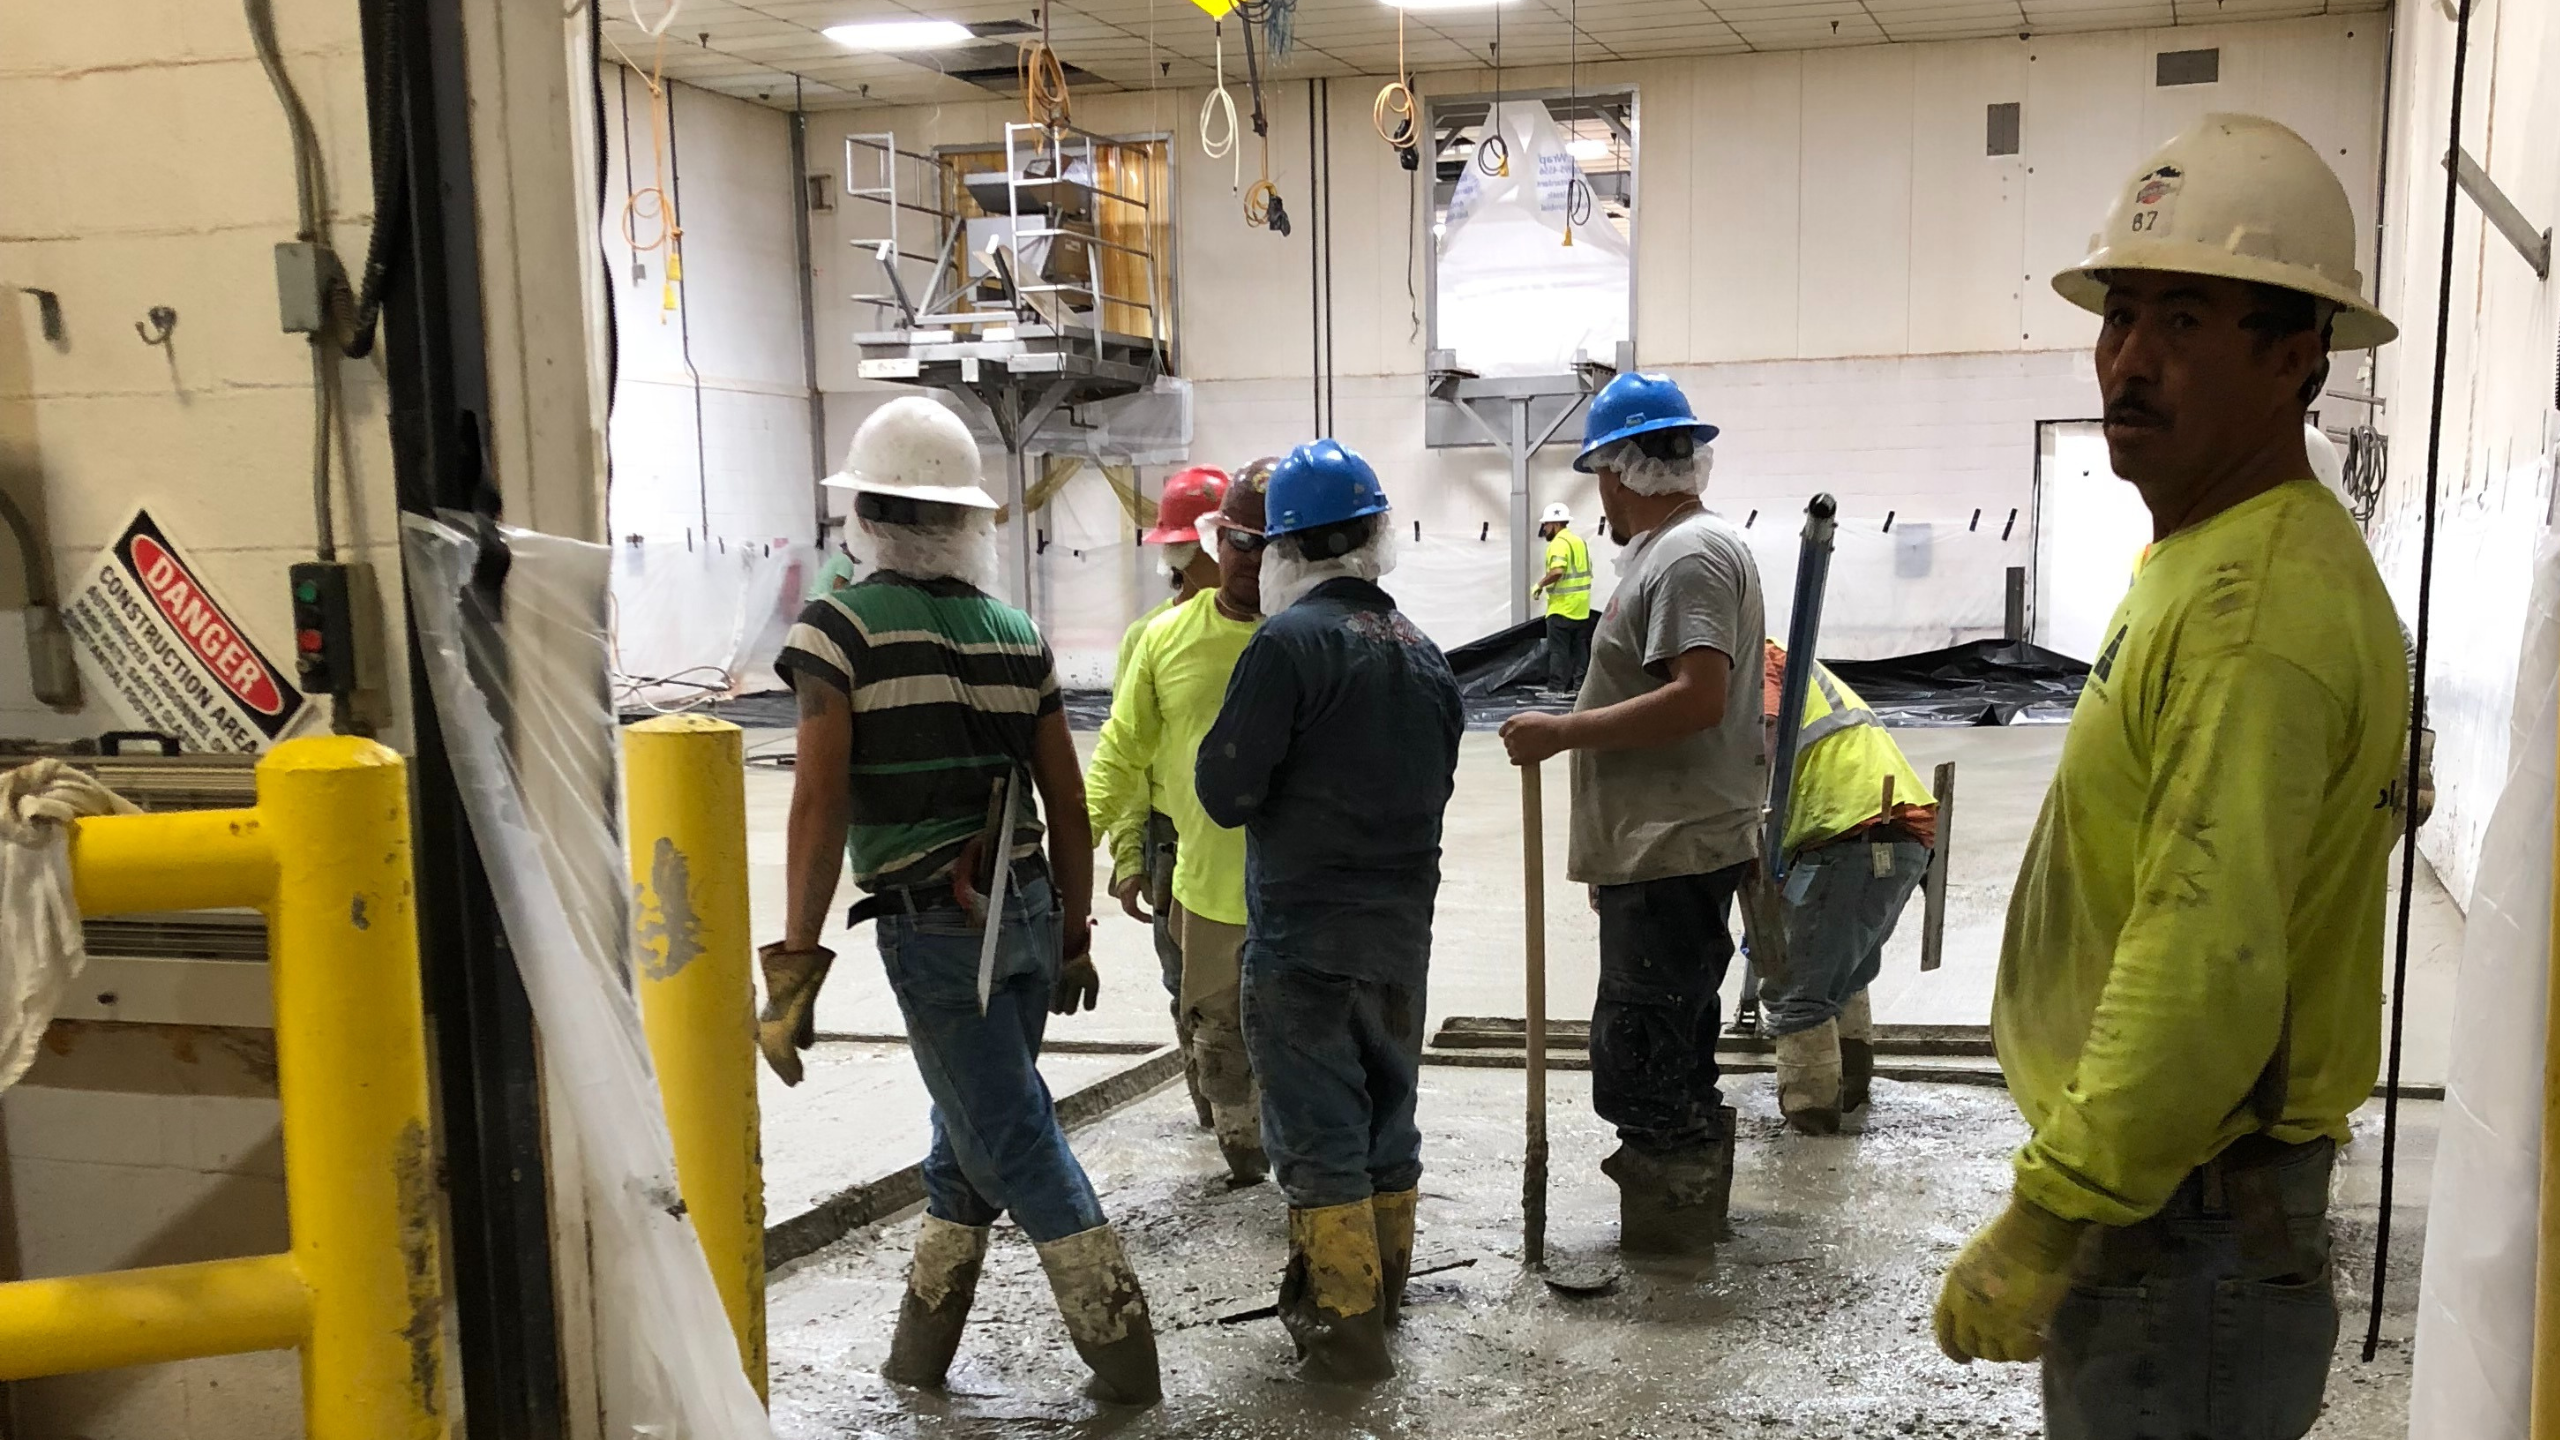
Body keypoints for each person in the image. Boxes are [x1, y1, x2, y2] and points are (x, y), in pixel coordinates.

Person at [1929, 114, 2410, 1440]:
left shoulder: (2254, 607)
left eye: (2184, 322)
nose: (2128, 361)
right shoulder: (2208, 558)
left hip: (2184, 1235)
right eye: (2120, 316)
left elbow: (2203, 958)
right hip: (2172, 1217)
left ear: (2296, 354)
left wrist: (2052, 1211)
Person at [761, 396, 1160, 1406]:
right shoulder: (1015, 633)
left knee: (1014, 1134)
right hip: (1027, 913)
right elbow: (1066, 801)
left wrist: (795, 962)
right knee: (970, 1127)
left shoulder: (836, 630)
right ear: (964, 521)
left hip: (938, 930)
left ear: (865, 515)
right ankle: (920, 1352)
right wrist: (1073, 932)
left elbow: (818, 802)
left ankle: (1128, 1361)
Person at [1198, 440, 1463, 1384]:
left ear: (1288, 549)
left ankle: (1346, 1337)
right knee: (1388, 1121)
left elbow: (1225, 791)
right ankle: (1384, 1299)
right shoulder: (1425, 654)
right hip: (1399, 940)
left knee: (1318, 1137)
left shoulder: (1286, 645)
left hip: (1304, 943)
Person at [1497, 372, 1764, 1265]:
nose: (1599, 498)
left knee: (1646, 1053)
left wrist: (1562, 733)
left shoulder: (1687, 557)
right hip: (1655, 847)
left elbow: (1698, 697)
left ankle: (1670, 1240)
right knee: (1671, 1041)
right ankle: (1682, 1220)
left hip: (1671, 848)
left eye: (1599, 477)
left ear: (1620, 472)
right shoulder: (1676, 551)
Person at [1087, 467, 1272, 1184]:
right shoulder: (1160, 638)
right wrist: (1112, 848)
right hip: (1193, 861)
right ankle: (1233, 1136)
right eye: (1238, 541)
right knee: (1207, 1017)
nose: (1248, 558)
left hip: (1295, 884)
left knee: (1293, 1032)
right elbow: (1125, 750)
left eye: (1267, 544)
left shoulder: (1306, 637)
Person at [1756, 639, 1935, 1135]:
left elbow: (1764, 731)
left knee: (1798, 988)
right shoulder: (1792, 661)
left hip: (1849, 829)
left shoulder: (1755, 657)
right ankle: (1850, 1086)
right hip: (1898, 832)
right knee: (1844, 973)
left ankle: (1811, 1121)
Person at [1096, 465, 1229, 1129]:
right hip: (1171, 837)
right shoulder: (1151, 636)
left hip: (1246, 837)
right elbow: (1128, 751)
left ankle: (1252, 1116)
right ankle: (1215, 1113)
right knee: (1186, 986)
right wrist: (1128, 853)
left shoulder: (1270, 628)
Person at [1533, 502, 1596, 689]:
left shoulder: (1558, 544)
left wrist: (1539, 584)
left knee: (1558, 650)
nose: (1544, 529)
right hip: (1581, 607)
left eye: (1546, 524)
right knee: (1580, 649)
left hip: (1562, 607)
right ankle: (1580, 688)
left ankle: (1556, 688)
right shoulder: (1579, 542)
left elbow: (1557, 571)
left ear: (1556, 524)